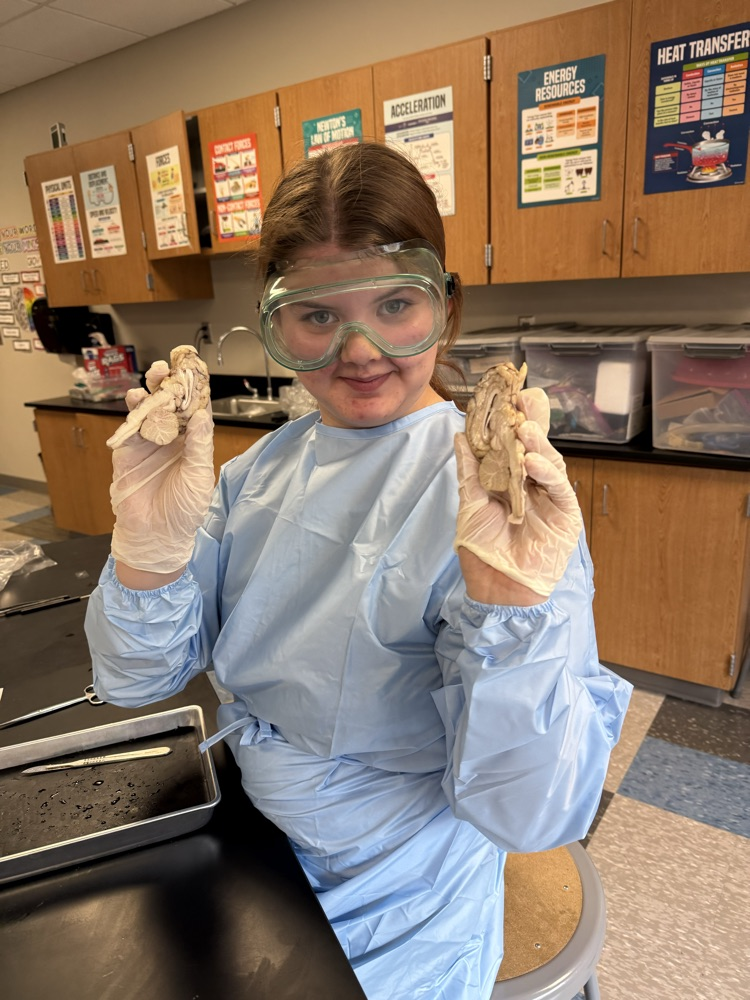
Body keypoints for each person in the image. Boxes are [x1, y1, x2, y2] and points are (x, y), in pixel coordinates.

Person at [85, 140, 632, 1000]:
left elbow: (531, 815)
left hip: (398, 900)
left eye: (394, 305)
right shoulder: (253, 473)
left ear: (444, 309)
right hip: (248, 837)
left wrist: (512, 611)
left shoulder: (496, 506)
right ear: (276, 325)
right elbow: (136, 676)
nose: (360, 348)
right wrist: (148, 549)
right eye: (316, 316)